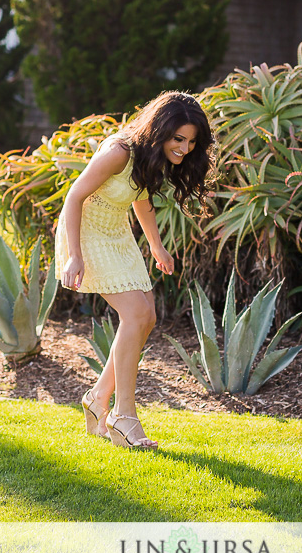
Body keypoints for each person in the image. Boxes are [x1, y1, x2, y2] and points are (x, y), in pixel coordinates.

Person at [54, 91, 215, 450]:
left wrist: (157, 247)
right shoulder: (119, 152)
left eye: (191, 142)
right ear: (160, 130)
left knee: (146, 317)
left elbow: (141, 199)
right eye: (178, 139)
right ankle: (123, 415)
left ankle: (97, 398)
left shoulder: (148, 154)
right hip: (85, 231)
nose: (185, 149)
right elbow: (74, 196)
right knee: (136, 313)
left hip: (116, 232)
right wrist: (74, 256)